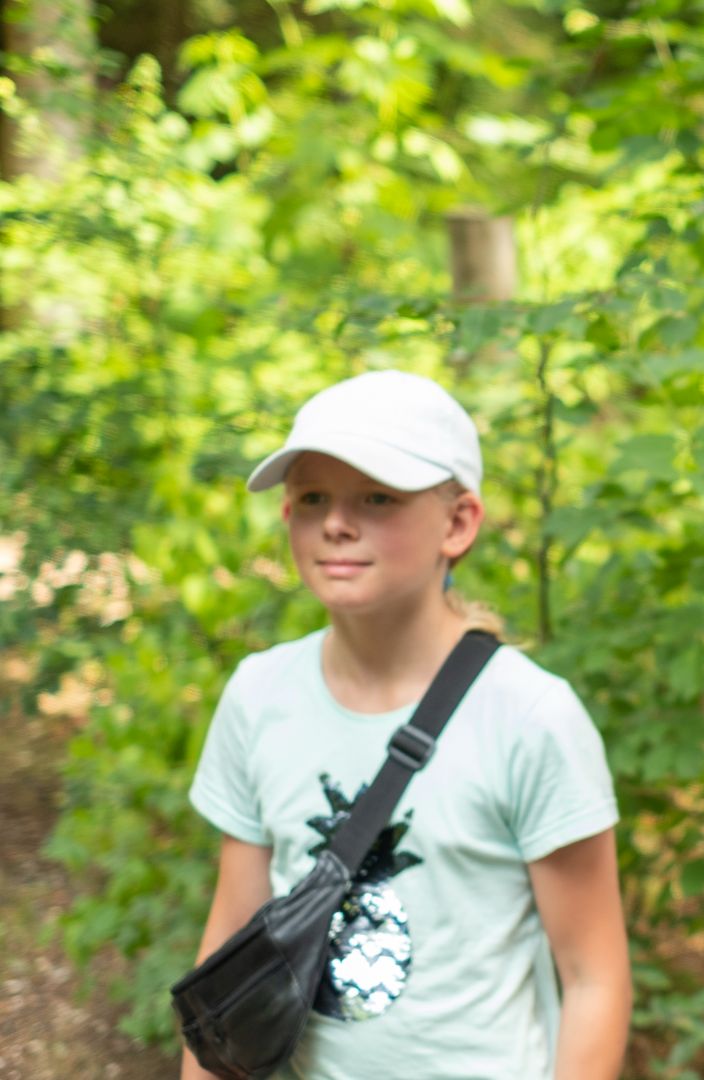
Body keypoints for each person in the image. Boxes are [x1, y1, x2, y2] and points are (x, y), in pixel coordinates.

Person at [182, 371, 630, 1080]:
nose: (336, 522)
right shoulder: (258, 696)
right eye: (312, 498)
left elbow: (594, 979)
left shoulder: (530, 717)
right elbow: (231, 937)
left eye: (378, 497)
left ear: (458, 524)